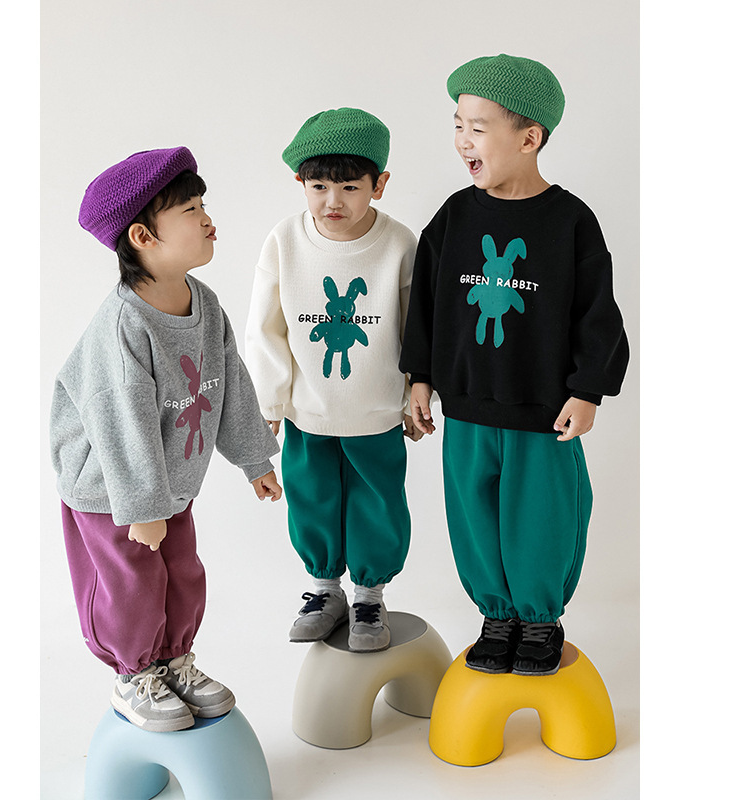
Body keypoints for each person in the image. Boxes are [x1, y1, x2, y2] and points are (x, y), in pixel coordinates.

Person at [400, 55, 629, 676]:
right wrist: (420, 376)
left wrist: (588, 389)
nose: (462, 141)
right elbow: (425, 301)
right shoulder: (454, 216)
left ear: (529, 138)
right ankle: (497, 617)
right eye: (457, 125)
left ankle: (539, 619)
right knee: (473, 514)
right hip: (468, 407)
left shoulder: (570, 221)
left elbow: (597, 312)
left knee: (543, 517)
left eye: (477, 128)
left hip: (543, 411)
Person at [50, 147, 282, 731]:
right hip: (112, 487)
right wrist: (142, 507)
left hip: (169, 480)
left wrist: (254, 457)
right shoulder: (125, 325)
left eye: (204, 205)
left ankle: (173, 659)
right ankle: (134, 674)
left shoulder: (204, 304)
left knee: (182, 571)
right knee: (133, 583)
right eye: (191, 210)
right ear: (143, 237)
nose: (208, 219)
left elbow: (229, 383)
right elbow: (119, 423)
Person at [245, 108, 420, 652]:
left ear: (379, 185)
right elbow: (266, 327)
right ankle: (324, 590)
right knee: (311, 497)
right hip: (308, 411)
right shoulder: (284, 241)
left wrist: (417, 392)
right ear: (300, 182)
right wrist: (269, 403)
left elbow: (418, 326)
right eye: (319, 186)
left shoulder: (398, 244)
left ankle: (369, 595)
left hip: (376, 411)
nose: (333, 201)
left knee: (378, 501)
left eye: (349, 187)